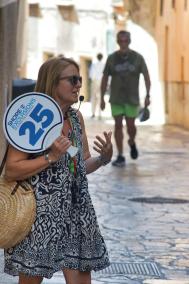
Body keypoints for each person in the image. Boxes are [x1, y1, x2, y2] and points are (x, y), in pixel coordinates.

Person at [4, 56, 113, 284]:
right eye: (72, 79)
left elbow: (80, 165)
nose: (79, 85)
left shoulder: (75, 118)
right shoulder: (30, 116)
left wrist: (103, 158)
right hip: (39, 217)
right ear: (53, 82)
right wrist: (50, 157)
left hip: (76, 213)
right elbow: (13, 169)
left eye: (80, 79)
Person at [101, 30, 151, 167]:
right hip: (116, 98)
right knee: (117, 126)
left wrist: (147, 95)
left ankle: (132, 141)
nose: (123, 43)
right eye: (121, 41)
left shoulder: (138, 58)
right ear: (117, 42)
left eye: (126, 40)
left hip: (132, 98)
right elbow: (105, 78)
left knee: (130, 126)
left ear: (129, 41)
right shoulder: (111, 58)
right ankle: (120, 155)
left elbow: (146, 77)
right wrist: (101, 98)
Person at [89, 53, 104, 118]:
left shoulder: (94, 64)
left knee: (93, 97)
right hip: (101, 81)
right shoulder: (104, 65)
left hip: (95, 81)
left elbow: (91, 74)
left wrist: (93, 80)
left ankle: (93, 113)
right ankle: (99, 114)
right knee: (100, 97)